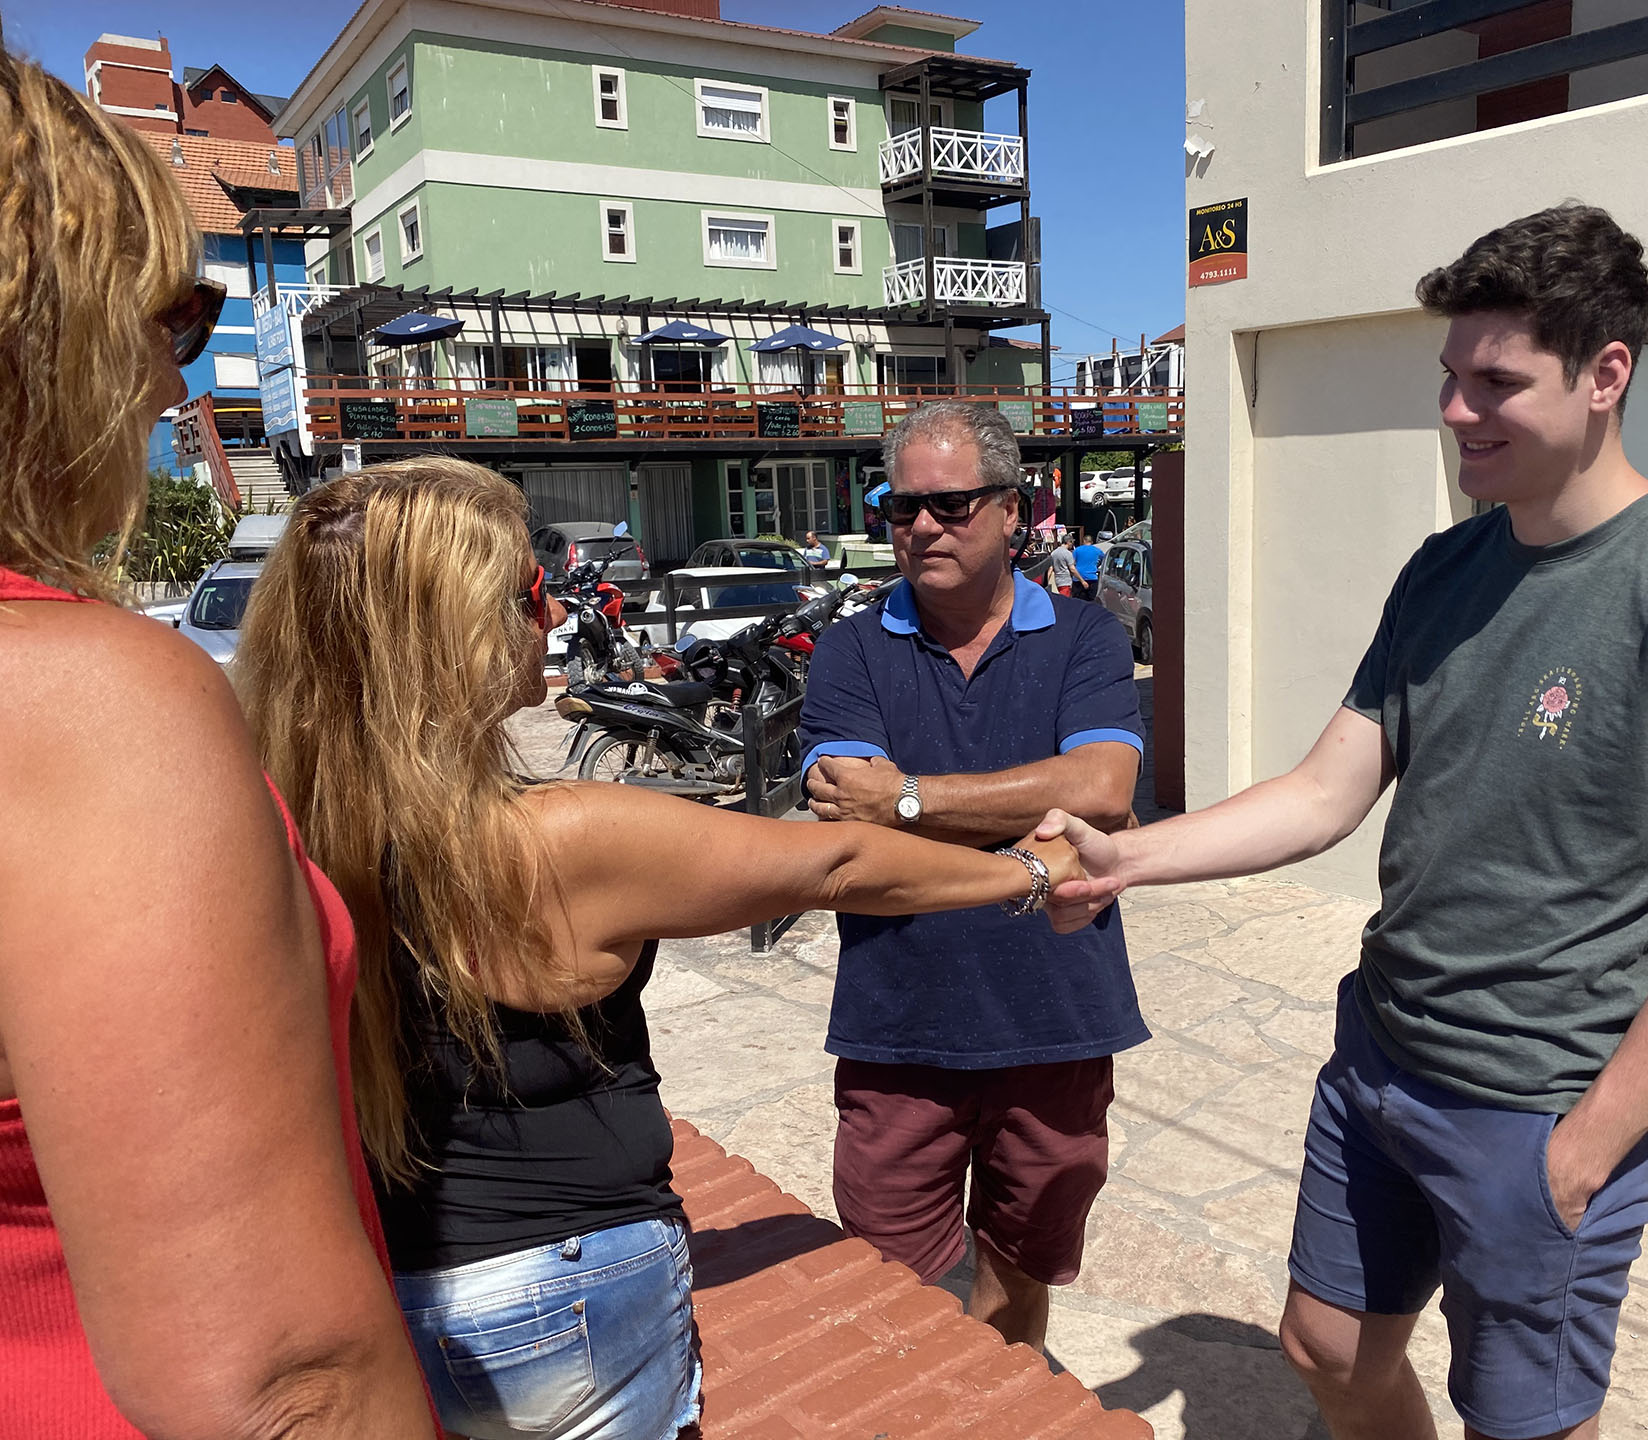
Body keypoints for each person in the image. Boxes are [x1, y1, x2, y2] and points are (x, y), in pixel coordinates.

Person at [1041, 205, 1648, 1440]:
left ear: (1607, 373)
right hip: (1382, 1058)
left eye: (1497, 382)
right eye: (1450, 378)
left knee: (1527, 1423)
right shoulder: (1443, 571)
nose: (1457, 412)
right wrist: (1129, 856)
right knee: (1327, 1344)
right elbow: (1322, 792)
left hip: (1540, 1100)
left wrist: (1585, 1149)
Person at [235, 456, 1086, 1440]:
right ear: (447, 628)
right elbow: (836, 865)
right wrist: (1032, 875)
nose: (554, 617)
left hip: (377, 1276)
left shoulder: (274, 824)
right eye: (528, 593)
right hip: (559, 1296)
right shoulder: (552, 841)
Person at [0, 49, 436, 1440]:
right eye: (165, 313)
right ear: (48, 328)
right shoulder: (82, 701)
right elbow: (277, 1385)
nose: (161, 379)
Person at [800, 402, 1147, 1354]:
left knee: (1019, 1279)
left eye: (951, 504)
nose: (921, 526)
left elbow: (1105, 790)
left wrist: (906, 800)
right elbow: (850, 834)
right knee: (889, 1293)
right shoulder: (849, 649)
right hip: (897, 1026)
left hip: (1058, 1020)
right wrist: (1033, 851)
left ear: (1013, 509)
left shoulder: (1086, 640)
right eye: (901, 505)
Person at [1071, 534, 1105, 601]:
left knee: (1077, 601)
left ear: (1084, 541)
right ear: (1092, 542)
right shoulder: (1097, 550)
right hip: (1092, 578)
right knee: (1091, 601)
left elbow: (1072, 563)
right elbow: (1104, 559)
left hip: (1078, 578)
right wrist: (1097, 565)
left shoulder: (1077, 550)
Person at [1048, 530, 1078, 596]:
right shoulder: (1067, 553)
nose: (1072, 544)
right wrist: (1081, 580)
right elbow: (1072, 569)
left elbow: (1051, 568)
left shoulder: (1053, 553)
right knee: (1065, 601)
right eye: (1072, 542)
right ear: (1068, 542)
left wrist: (1046, 581)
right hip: (1066, 581)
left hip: (1058, 581)